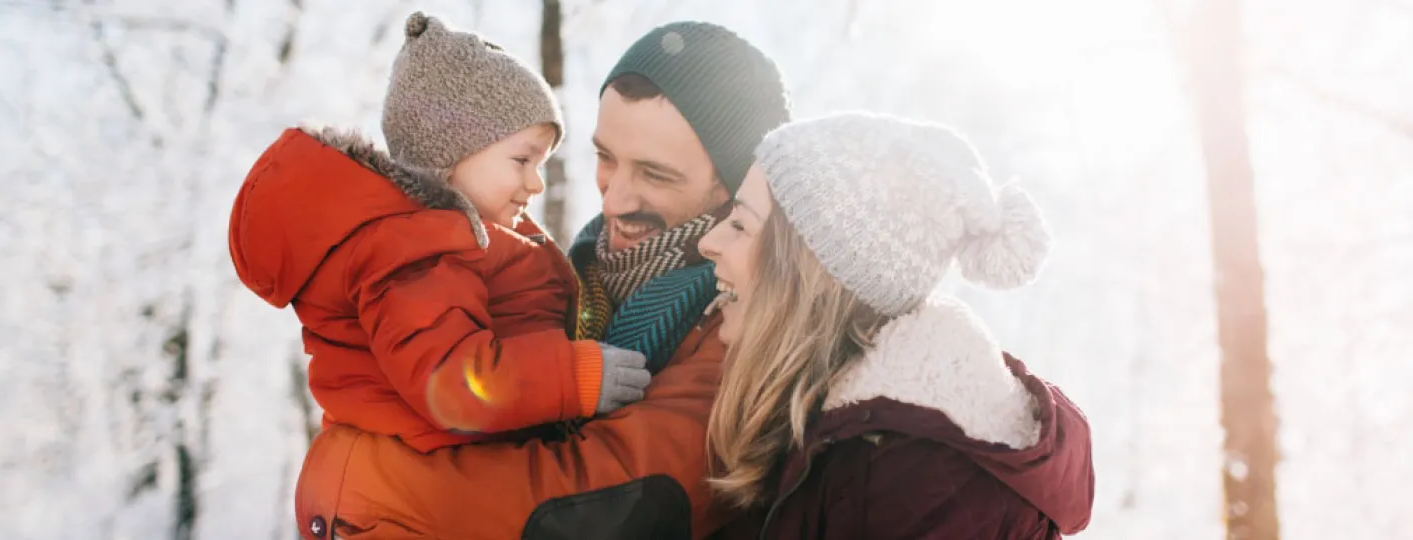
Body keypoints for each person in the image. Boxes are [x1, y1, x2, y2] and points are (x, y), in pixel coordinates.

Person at [281, 20, 793, 539]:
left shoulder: (742, 324)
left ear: (735, 188)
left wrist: (358, 476)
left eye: (656, 174)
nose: (613, 200)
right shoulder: (576, 278)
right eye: (606, 158)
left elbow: (607, 508)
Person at [697, 112, 1096, 538]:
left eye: (740, 224)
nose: (709, 242)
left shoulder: (917, 485)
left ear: (809, 273)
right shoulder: (835, 433)